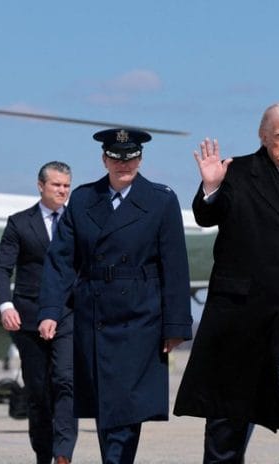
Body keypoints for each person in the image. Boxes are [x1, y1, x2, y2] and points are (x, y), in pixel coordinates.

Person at [173, 103, 279, 464]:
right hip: (241, 319)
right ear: (263, 136)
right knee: (228, 422)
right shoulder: (237, 172)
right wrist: (211, 187)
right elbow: (206, 216)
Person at [37, 128, 192, 464]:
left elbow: (175, 266)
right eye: (117, 157)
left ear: (141, 158)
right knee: (106, 406)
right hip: (94, 315)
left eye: (131, 157)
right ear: (104, 159)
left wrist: (176, 325)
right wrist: (50, 309)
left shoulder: (161, 200)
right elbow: (61, 260)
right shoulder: (82, 199)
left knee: (125, 406)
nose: (124, 164)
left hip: (140, 317)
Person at [0, 161, 78, 464]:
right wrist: (6, 305)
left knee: (66, 380)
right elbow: (2, 268)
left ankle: (63, 453)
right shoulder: (19, 223)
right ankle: (44, 454)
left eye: (66, 185)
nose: (62, 191)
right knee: (39, 392)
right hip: (28, 317)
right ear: (41, 186)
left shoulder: (78, 221)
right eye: (56, 185)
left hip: (68, 313)